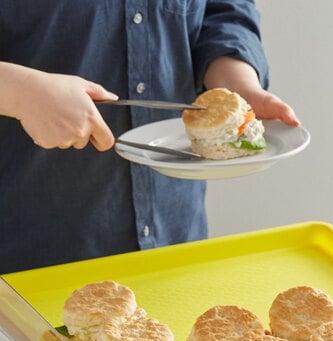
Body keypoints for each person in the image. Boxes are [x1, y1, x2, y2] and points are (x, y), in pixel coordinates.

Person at [0, 1, 299, 274]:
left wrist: (239, 88)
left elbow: (221, 11)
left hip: (176, 239)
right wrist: (20, 91)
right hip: (30, 253)